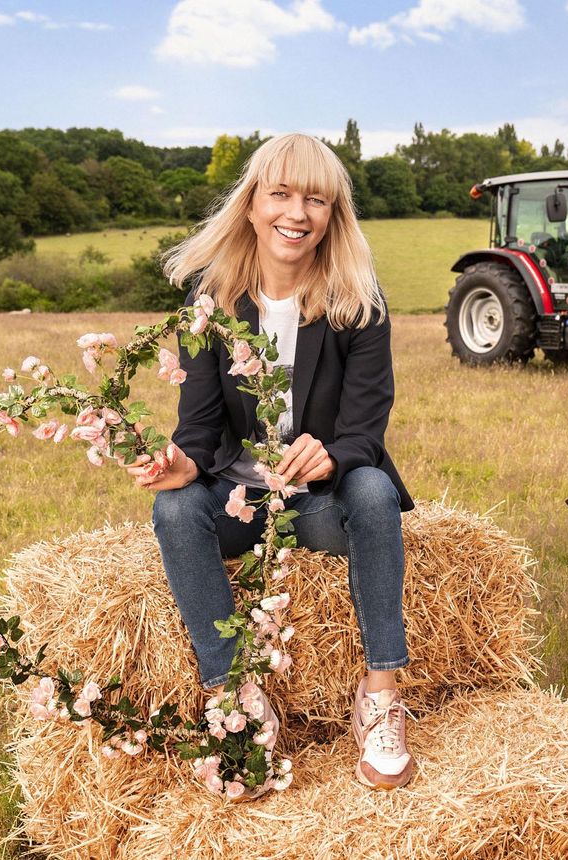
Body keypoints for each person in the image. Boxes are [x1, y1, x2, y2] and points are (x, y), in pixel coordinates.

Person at [123, 133, 415, 792]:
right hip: (239, 501)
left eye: (316, 198)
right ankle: (236, 700)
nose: (297, 212)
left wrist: (330, 457)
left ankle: (379, 692)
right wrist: (181, 465)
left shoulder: (357, 300)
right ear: (251, 205)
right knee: (171, 507)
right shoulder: (212, 300)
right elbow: (198, 431)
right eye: (280, 193)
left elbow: (366, 432)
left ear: (333, 214)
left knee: (372, 490)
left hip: (318, 507)